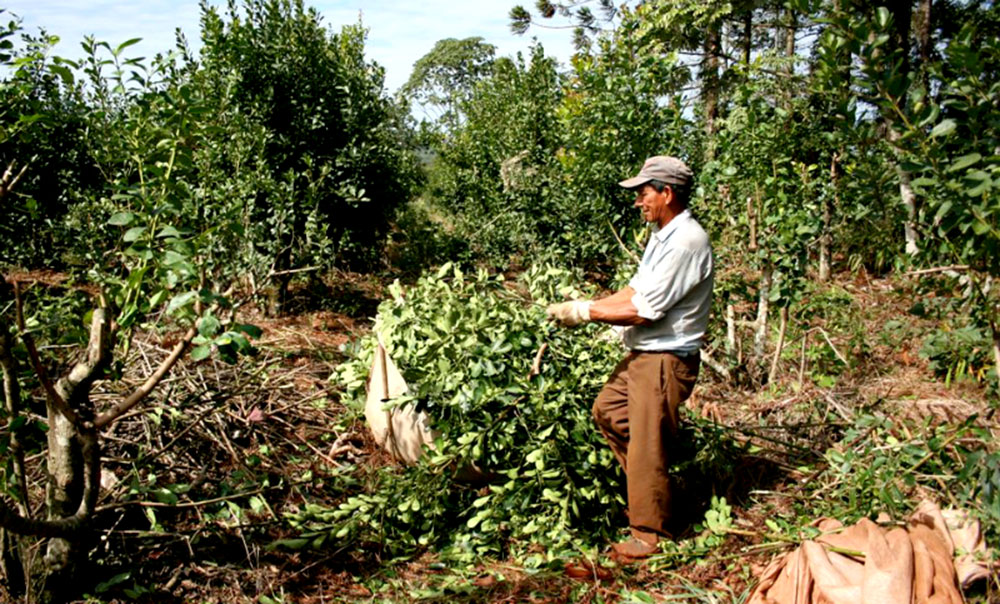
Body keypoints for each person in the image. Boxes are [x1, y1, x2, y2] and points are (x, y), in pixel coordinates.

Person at [546, 155, 714, 560]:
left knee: (646, 445)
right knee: (608, 411)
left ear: (667, 193)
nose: (639, 202)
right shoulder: (663, 236)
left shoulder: (688, 242)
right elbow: (633, 291)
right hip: (645, 354)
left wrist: (586, 312)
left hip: (664, 360)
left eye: (643, 194)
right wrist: (588, 305)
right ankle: (658, 491)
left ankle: (648, 535)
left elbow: (644, 309)